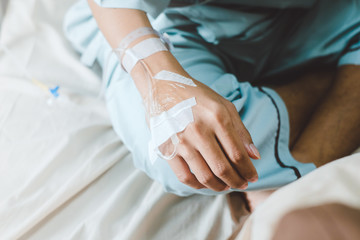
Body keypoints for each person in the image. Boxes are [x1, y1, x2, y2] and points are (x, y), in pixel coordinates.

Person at [64, 0, 360, 196]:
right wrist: (158, 78)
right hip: (178, 21)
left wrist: (302, 174)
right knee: (181, 152)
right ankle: (336, 77)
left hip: (320, 12)